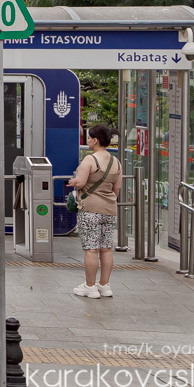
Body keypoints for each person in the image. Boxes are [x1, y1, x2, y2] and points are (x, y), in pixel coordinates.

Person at [67, 123, 121, 299]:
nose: (88, 141)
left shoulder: (90, 160)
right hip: (109, 210)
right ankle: (105, 286)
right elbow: (116, 190)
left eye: (89, 138)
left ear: (96, 140)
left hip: (90, 209)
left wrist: (72, 181)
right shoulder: (116, 162)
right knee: (106, 249)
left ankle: (90, 287)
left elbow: (81, 182)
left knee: (91, 249)